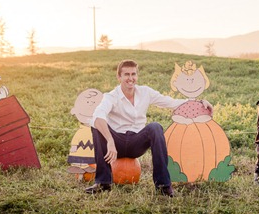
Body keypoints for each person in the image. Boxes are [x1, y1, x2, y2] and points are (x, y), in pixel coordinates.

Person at [84, 59, 213, 196]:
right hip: (117, 144)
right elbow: (98, 116)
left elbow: (172, 103)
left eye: (133, 74)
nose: (130, 78)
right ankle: (103, 183)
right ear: (119, 77)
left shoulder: (145, 92)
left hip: (136, 142)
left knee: (155, 127)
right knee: (96, 125)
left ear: (137, 76)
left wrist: (199, 103)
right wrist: (110, 141)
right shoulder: (111, 96)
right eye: (126, 74)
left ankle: (163, 185)